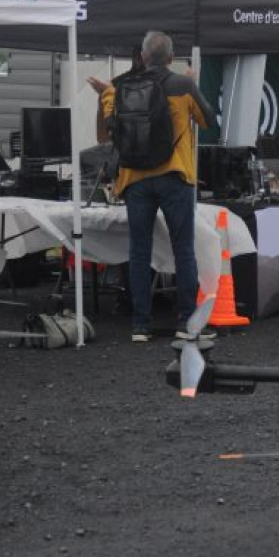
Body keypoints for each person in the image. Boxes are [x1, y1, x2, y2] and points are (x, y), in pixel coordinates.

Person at [94, 31, 217, 342]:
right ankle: (185, 323)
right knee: (183, 249)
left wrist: (106, 94)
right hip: (175, 177)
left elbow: (107, 133)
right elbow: (208, 121)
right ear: (172, 58)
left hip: (135, 179)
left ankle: (140, 326)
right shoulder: (183, 85)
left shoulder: (122, 87)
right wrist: (193, 82)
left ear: (143, 57)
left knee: (139, 251)